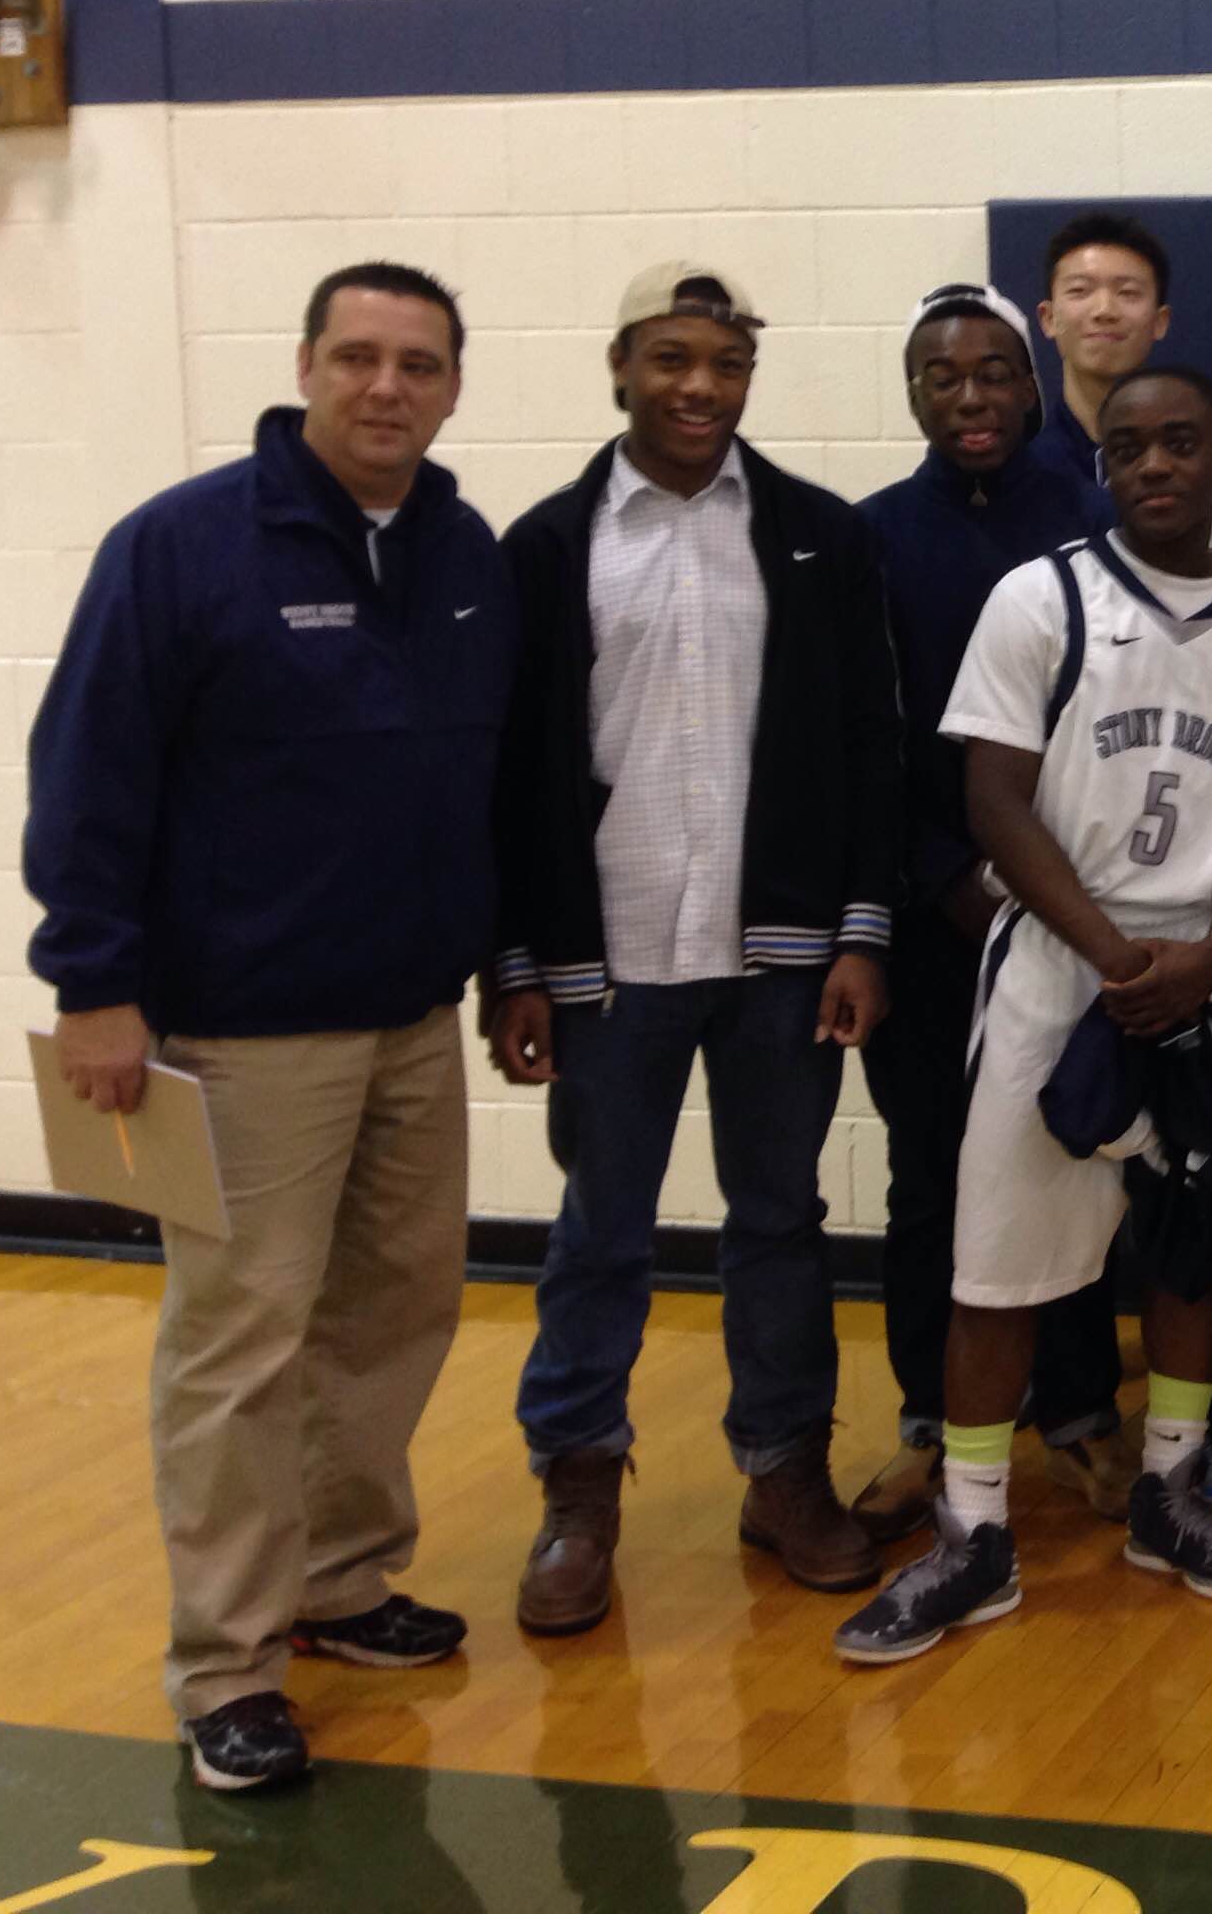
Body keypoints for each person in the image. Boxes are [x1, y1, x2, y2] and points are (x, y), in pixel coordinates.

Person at [25, 264, 512, 1792]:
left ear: (451, 387)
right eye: (358, 357)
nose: (386, 387)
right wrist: (91, 982)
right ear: (305, 365)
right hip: (240, 1037)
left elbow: (487, 789)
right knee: (239, 1348)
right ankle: (224, 1666)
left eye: (418, 365)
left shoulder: (463, 552)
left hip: (411, 1022)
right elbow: (88, 770)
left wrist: (507, 966)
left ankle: (345, 1583)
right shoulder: (181, 548)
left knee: (395, 1310)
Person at [835, 366, 1212, 1662]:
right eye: (1129, 446)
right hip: (1062, 975)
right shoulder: (1039, 600)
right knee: (995, 1273)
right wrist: (1113, 954)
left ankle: (1169, 1490)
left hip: (1205, 982)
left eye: (1182, 441)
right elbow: (992, 801)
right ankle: (974, 1533)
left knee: (1190, 1252)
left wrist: (1208, 957)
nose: (1155, 463)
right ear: (1102, 466)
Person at [489, 262, 902, 1634]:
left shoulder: (817, 538)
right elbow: (505, 772)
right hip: (605, 961)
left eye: (725, 365)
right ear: (621, 366)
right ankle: (580, 1488)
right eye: (673, 359)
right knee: (600, 1232)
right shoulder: (546, 549)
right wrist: (516, 961)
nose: (700, 388)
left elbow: (867, 753)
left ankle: (784, 1471)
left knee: (778, 1223)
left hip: (780, 958)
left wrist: (860, 932)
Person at [846, 283, 1132, 1546]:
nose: (970, 397)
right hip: (935, 915)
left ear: (1033, 382)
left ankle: (1079, 1414)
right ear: (913, 393)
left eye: (993, 374)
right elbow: (869, 743)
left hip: (1072, 908)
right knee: (933, 1180)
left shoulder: (1098, 515)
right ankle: (932, 1424)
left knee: (1071, 1162)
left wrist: (1046, 888)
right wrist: (940, 874)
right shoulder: (868, 540)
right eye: (942, 376)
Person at [1028, 211, 1175, 502]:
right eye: (1080, 291)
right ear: (1048, 318)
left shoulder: (1192, 467)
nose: (1105, 310)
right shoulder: (1022, 472)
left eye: (1128, 292)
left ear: (1160, 321)